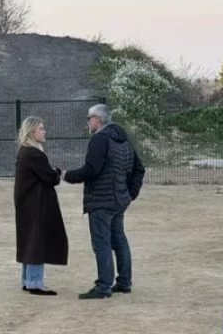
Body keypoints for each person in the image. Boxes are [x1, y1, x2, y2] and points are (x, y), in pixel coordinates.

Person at [63, 104, 146, 300]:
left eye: (89, 118)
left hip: (101, 201)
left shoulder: (100, 139)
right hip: (118, 201)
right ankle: (124, 282)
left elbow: (91, 170)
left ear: (97, 119)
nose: (87, 122)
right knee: (119, 240)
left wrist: (67, 175)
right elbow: (139, 169)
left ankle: (103, 286)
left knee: (102, 243)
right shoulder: (124, 140)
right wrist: (129, 193)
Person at [14, 117, 68, 296]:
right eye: (41, 129)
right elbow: (50, 178)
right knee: (37, 242)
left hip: (27, 206)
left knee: (29, 241)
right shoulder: (34, 154)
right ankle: (35, 283)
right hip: (36, 205)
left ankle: (28, 280)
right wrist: (57, 173)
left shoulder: (24, 152)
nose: (44, 132)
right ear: (32, 132)